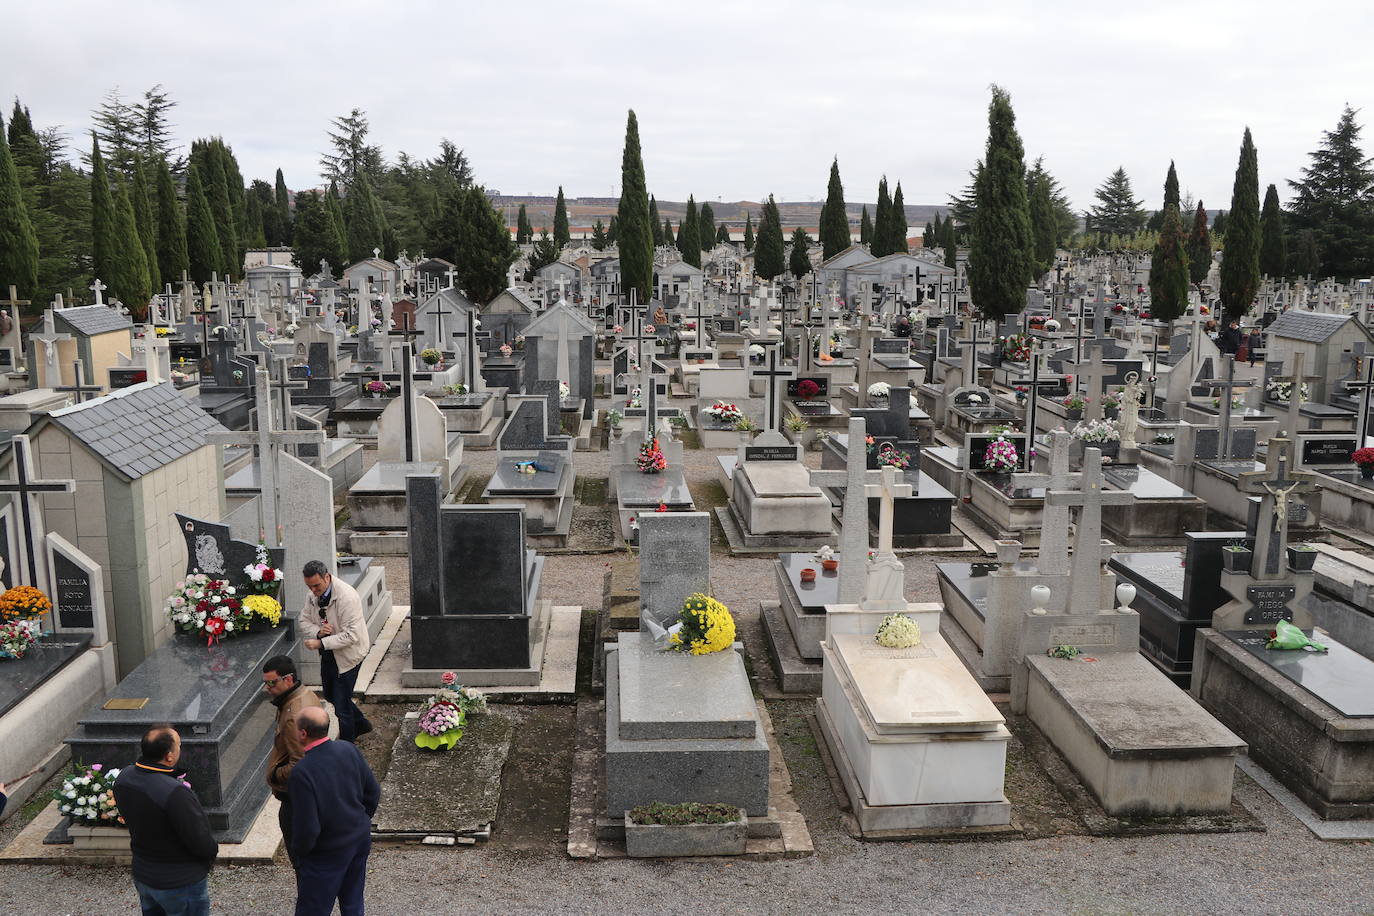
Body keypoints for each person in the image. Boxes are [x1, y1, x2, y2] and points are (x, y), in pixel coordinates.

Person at [113, 725, 219, 916]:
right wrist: (209, 857)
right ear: (169, 756)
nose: (181, 748)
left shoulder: (124, 777)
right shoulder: (174, 792)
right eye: (179, 745)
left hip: (144, 873)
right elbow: (200, 839)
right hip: (179, 882)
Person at [289, 707, 380, 916]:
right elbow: (372, 791)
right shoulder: (348, 749)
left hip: (326, 851)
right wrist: (361, 820)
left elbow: (307, 826)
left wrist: (300, 852)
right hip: (358, 840)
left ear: (303, 733)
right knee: (353, 902)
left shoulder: (302, 772)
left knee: (313, 909)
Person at [299, 560, 372, 743]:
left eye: (317, 586)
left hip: (349, 655)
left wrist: (321, 643)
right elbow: (304, 620)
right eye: (310, 587)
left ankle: (346, 745)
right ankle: (362, 724)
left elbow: (351, 635)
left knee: (342, 705)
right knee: (331, 695)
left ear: (327, 577)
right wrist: (317, 632)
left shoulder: (347, 597)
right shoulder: (313, 595)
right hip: (329, 652)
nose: (314, 591)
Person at [264, 654, 323, 867]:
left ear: (288, 680)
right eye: (265, 683)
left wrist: (274, 774)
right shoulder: (306, 694)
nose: (267, 688)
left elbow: (300, 763)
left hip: (295, 798)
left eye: (272, 682)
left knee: (301, 858)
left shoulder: (292, 715)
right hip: (309, 794)